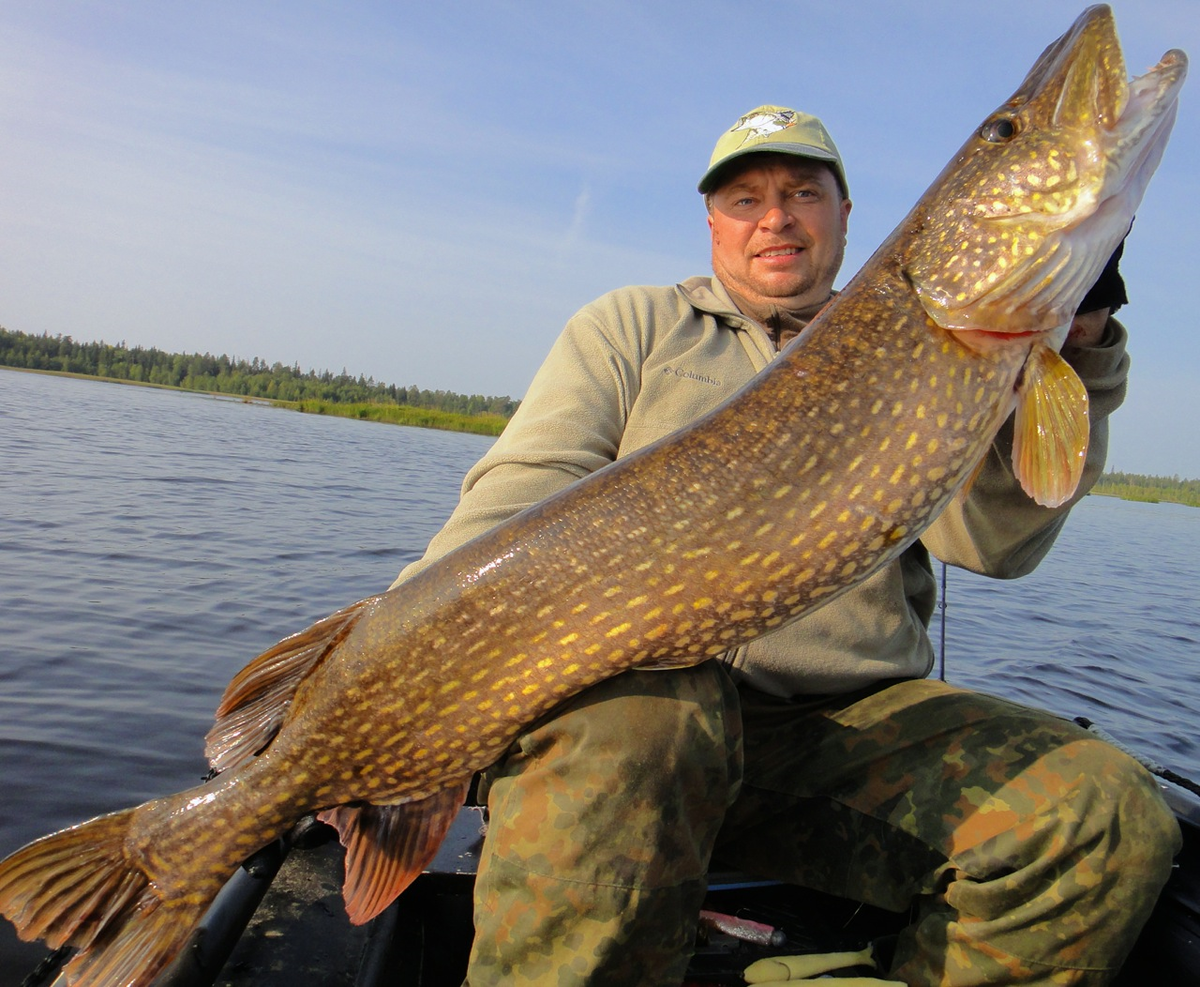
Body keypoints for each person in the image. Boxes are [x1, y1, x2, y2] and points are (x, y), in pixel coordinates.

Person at [391, 106, 1180, 986]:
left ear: (846, 214)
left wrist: (1080, 337)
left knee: (1103, 811)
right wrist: (393, 679)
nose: (776, 215)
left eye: (804, 191)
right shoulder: (634, 328)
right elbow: (509, 507)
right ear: (713, 223)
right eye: (746, 197)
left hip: (836, 738)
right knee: (644, 724)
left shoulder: (925, 342)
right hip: (627, 734)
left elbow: (995, 541)